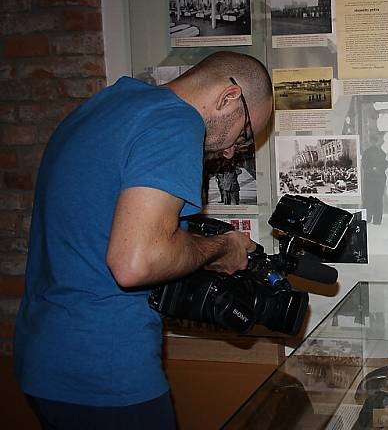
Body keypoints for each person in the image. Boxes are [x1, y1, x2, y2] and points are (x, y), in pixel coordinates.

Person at [14, 51, 273, 429]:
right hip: (105, 367)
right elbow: (134, 262)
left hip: (45, 357)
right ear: (228, 98)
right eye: (245, 134)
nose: (233, 149)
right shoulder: (176, 121)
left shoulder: (107, 105)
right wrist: (223, 247)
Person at [362, 133, 388, 225]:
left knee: (368, 198)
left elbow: (364, 165)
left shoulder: (366, 152)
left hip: (370, 179)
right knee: (378, 199)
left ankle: (367, 218)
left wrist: (371, 169)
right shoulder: (382, 153)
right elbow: (384, 165)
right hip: (380, 179)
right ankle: (377, 220)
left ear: (370, 141)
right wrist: (377, 169)